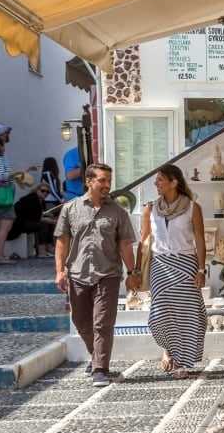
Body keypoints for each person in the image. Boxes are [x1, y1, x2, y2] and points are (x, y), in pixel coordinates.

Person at [54, 163, 140, 387]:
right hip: (78, 273)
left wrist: (132, 272)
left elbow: (125, 247)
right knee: (81, 321)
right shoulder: (70, 209)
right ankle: (96, 357)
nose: (107, 185)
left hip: (108, 274)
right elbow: (62, 242)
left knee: (102, 322)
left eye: (109, 181)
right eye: (102, 180)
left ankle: (100, 368)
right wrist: (59, 271)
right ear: (89, 181)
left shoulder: (118, 212)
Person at [136, 164, 207, 380]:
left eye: (160, 179)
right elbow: (144, 240)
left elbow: (200, 240)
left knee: (187, 314)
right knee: (159, 315)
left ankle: (181, 362)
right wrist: (136, 271)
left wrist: (202, 269)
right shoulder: (150, 208)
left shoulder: (193, 208)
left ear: (174, 182)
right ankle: (168, 347)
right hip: (160, 265)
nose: (156, 183)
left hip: (186, 263)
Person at [0, 124, 37, 265]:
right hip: (3, 199)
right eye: (2, 146)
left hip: (2, 197)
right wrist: (17, 173)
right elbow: (2, 176)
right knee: (5, 226)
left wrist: (23, 171)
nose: (4, 148)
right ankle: (0, 256)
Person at [9, 183, 58, 256]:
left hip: (26, 222)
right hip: (18, 224)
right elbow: (36, 217)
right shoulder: (32, 198)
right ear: (37, 190)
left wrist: (51, 219)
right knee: (44, 225)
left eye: (47, 192)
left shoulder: (41, 200)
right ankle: (42, 251)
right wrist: (53, 221)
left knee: (47, 224)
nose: (45, 193)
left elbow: (39, 215)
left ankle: (49, 248)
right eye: (43, 190)